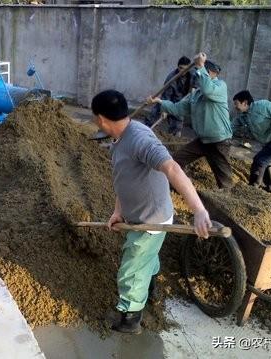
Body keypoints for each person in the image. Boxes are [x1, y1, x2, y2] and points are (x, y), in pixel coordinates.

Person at [91, 89, 212, 334]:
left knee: (131, 270)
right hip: (137, 215)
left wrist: (199, 210)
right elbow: (122, 180)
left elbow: (173, 169)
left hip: (151, 221)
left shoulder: (140, 139)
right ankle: (151, 289)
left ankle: (130, 318)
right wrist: (118, 212)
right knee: (147, 258)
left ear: (101, 119)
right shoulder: (119, 140)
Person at [148, 53, 233, 189]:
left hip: (219, 141)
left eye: (201, 72)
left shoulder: (220, 86)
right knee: (176, 160)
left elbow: (208, 90)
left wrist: (200, 66)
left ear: (211, 73)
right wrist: (159, 101)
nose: (197, 75)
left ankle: (229, 204)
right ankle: (171, 186)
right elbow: (177, 109)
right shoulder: (195, 94)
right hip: (203, 140)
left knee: (224, 180)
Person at [232, 90, 271, 193]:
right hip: (270, 140)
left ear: (245, 103)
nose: (235, 107)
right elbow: (231, 126)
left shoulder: (262, 105)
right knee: (264, 160)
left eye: (236, 104)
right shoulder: (243, 117)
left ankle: (253, 187)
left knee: (259, 160)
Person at [145, 56, 194, 137]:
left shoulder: (193, 74)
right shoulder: (171, 78)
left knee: (177, 125)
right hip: (169, 99)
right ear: (177, 66)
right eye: (180, 68)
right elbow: (166, 95)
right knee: (154, 114)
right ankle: (146, 131)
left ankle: (173, 138)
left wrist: (193, 90)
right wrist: (165, 110)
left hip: (182, 101)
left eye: (185, 69)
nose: (182, 71)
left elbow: (197, 84)